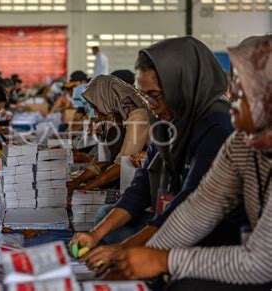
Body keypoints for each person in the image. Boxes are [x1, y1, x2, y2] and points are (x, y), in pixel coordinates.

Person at [113, 35, 272, 290]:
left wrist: (164, 259)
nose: (232, 101)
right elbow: (200, 207)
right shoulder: (242, 144)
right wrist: (140, 256)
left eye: (243, 94)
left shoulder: (217, 127)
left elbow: (264, 261)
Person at [70, 37, 238, 275]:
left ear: (183, 86)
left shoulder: (217, 126)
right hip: (170, 218)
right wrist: (95, 235)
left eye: (155, 95)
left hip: (210, 237)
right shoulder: (166, 120)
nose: (149, 105)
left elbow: (190, 205)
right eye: (144, 95)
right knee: (104, 216)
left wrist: (123, 251)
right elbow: (142, 185)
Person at [68, 75, 149, 191]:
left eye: (95, 107)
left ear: (104, 99)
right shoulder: (114, 113)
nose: (95, 113)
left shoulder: (138, 113)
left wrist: (86, 187)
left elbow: (123, 163)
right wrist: (76, 182)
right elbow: (101, 159)